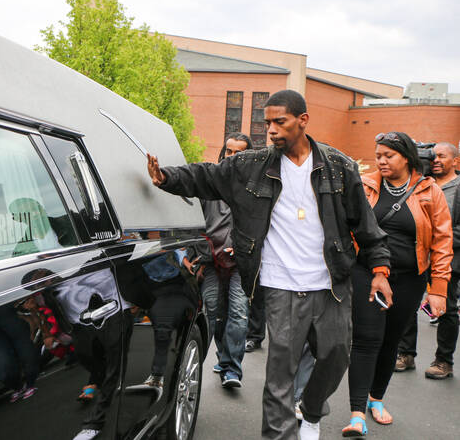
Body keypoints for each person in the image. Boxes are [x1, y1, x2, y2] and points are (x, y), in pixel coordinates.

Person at [147, 90, 391, 440]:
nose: (272, 130)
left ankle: (310, 412)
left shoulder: (339, 167)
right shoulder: (250, 165)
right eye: (267, 123)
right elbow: (206, 175)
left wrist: (381, 271)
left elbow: (365, 225)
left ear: (303, 120)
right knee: (281, 373)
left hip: (331, 283)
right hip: (280, 284)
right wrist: (167, 178)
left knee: (336, 355)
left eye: (280, 121)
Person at [342, 132, 452, 437]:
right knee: (366, 338)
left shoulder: (430, 191)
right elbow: (350, 226)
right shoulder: (365, 185)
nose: (381, 161)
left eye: (388, 155)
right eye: (378, 155)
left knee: (391, 340)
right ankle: (356, 413)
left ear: (405, 156)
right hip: (366, 272)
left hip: (410, 278)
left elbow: (442, 242)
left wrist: (438, 288)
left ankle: (376, 399)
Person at [187, 132, 252, 389]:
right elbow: (194, 223)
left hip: (240, 265)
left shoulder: (254, 189)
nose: (232, 157)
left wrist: (243, 249)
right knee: (213, 312)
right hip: (209, 261)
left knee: (238, 313)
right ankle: (215, 359)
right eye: (229, 151)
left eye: (239, 153)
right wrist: (197, 256)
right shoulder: (209, 184)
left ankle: (230, 368)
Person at [394, 142, 460, 379]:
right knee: (408, 305)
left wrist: (438, 239)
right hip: (416, 256)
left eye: (442, 156)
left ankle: (444, 361)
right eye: (433, 156)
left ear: (455, 161)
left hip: (447, 257)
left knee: (447, 309)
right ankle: (405, 354)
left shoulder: (458, 187)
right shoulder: (421, 185)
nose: (436, 160)